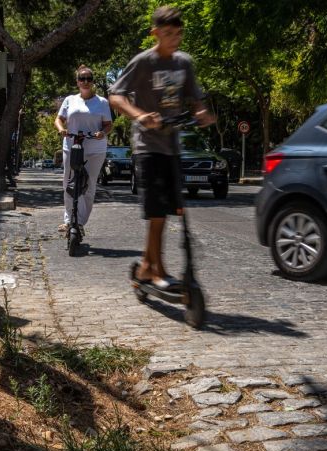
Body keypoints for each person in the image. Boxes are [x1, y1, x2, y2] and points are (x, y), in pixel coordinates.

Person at [108, 5, 214, 290]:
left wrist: (202, 113)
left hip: (172, 147)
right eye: (168, 34)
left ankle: (145, 266)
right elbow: (115, 97)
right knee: (156, 211)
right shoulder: (144, 62)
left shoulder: (184, 63)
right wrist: (140, 115)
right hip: (147, 146)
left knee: (168, 211)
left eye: (178, 34)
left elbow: (196, 98)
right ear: (155, 33)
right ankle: (158, 270)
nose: (174, 39)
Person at [54, 65, 112, 234]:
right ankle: (68, 220)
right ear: (77, 81)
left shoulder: (102, 102)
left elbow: (109, 125)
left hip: (95, 148)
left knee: (89, 184)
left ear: (93, 82)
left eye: (89, 79)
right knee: (68, 182)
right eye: (82, 78)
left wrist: (102, 133)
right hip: (72, 146)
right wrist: (61, 129)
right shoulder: (69, 100)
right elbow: (59, 119)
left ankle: (80, 222)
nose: (85, 82)